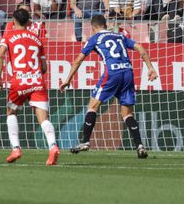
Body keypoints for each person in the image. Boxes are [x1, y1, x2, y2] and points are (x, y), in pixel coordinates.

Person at [59, 15, 159, 158]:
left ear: (93, 27)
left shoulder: (95, 39)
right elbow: (140, 48)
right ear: (105, 24)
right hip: (128, 72)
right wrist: (150, 68)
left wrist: (68, 79)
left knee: (92, 106)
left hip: (112, 73)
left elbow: (78, 60)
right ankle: (140, 146)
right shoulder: (120, 36)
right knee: (127, 114)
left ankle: (85, 142)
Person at [0, 8, 60, 166]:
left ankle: (16, 148)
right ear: (29, 22)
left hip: (18, 82)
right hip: (37, 81)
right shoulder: (37, 38)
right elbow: (44, 67)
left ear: (13, 21)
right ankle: (53, 146)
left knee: (11, 112)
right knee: (43, 118)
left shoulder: (9, 36)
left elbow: (0, 54)